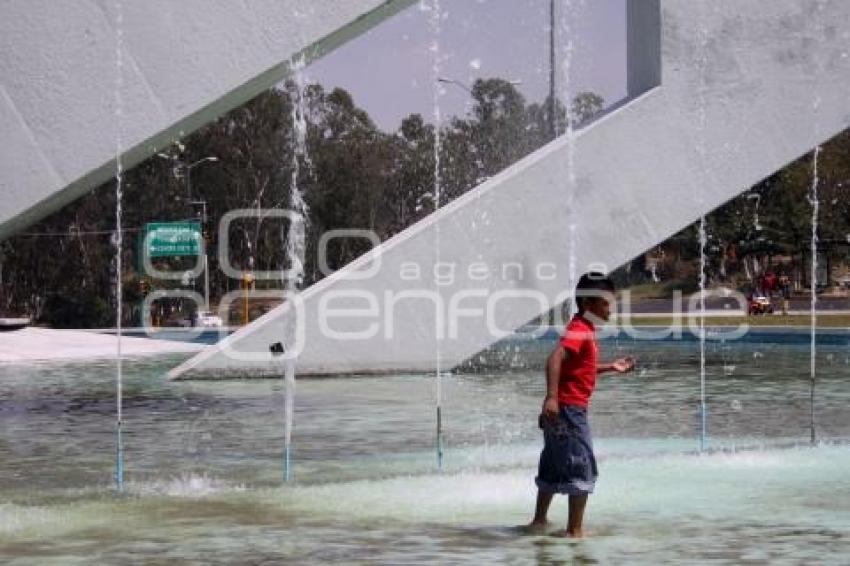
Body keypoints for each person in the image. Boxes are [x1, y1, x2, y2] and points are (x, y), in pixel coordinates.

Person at [526, 272, 635, 538]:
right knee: (581, 465)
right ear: (589, 305)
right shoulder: (579, 330)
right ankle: (575, 531)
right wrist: (551, 397)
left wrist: (610, 367)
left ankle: (539, 521)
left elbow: (578, 369)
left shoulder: (582, 328)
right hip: (569, 411)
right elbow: (554, 359)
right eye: (606, 304)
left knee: (552, 462)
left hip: (560, 411)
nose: (610, 309)